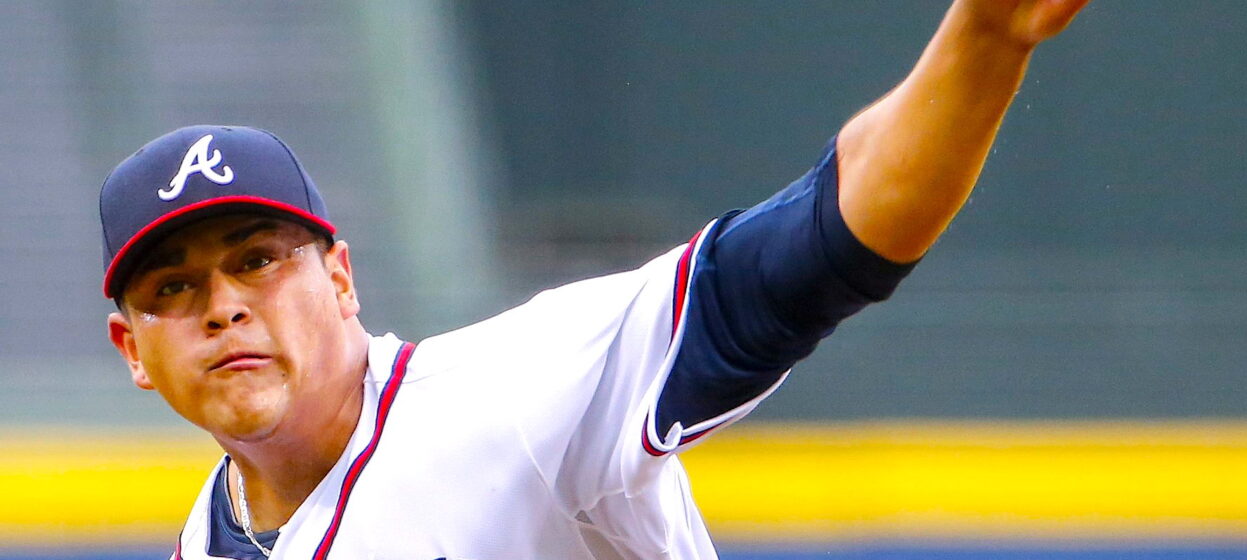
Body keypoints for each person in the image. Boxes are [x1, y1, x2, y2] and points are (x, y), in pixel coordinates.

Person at [99, 1, 1090, 558]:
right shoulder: (208, 539)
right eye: (172, 288)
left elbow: (803, 257)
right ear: (132, 349)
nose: (223, 301)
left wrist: (984, 41)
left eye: (258, 259)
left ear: (342, 277)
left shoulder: (514, 393)